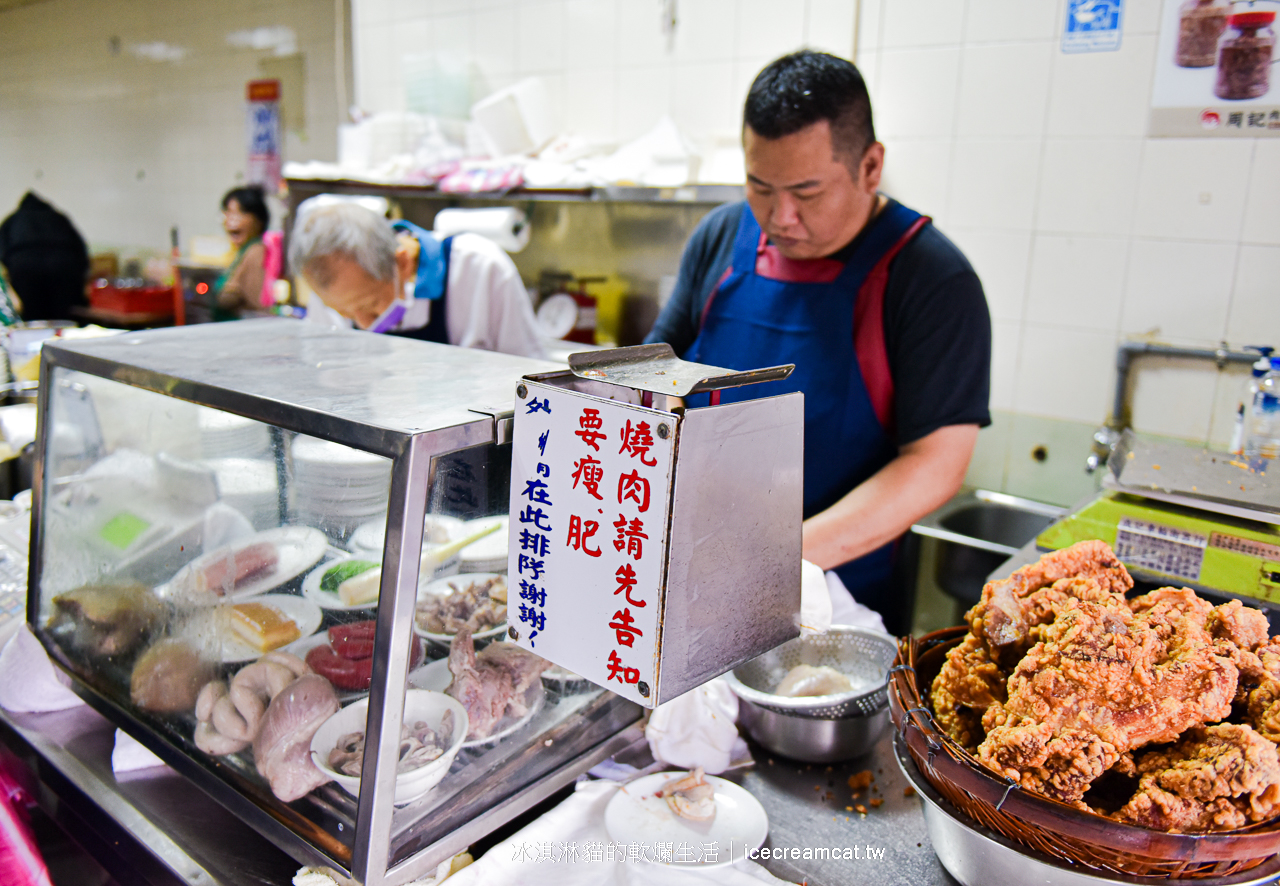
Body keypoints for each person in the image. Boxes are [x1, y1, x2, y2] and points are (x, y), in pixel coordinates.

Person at [645, 50, 991, 629]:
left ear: (870, 167)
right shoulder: (721, 237)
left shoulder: (929, 277)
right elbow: (655, 377)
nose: (780, 218)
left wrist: (771, 561)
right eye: (760, 187)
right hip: (688, 567)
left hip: (838, 598)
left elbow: (935, 464)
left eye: (807, 193)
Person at [288, 201, 547, 359]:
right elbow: (329, 383)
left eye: (369, 304)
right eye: (344, 313)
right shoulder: (335, 289)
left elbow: (530, 381)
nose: (364, 324)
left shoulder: (478, 269)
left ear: (401, 262)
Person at [0, 191, 89, 323]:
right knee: (64, 318)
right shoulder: (59, 218)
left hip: (26, 270)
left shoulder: (14, 219)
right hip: (64, 269)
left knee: (32, 318)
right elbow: (81, 249)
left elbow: (2, 250)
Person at [212, 186, 269, 321]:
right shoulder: (242, 252)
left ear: (258, 220)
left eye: (239, 213)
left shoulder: (256, 252)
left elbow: (260, 308)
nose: (231, 220)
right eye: (227, 213)